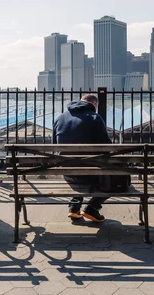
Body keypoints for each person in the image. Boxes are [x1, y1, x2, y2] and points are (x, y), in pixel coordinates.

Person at [52, 93, 111, 223]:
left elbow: (55, 146)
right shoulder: (95, 118)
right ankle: (92, 208)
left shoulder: (60, 118)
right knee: (113, 179)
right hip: (90, 172)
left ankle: (74, 207)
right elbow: (106, 146)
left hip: (67, 172)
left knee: (78, 166)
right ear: (94, 104)